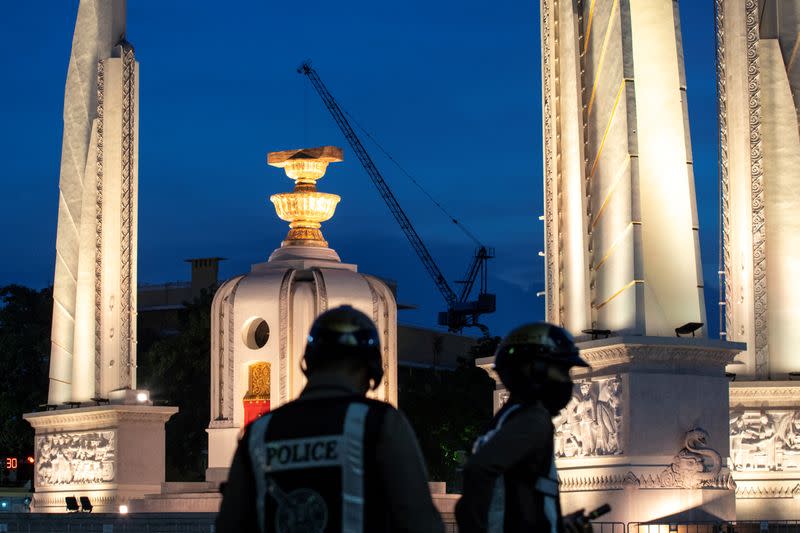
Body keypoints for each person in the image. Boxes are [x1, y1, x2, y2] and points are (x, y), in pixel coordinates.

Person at [216, 305, 444, 533]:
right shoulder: (380, 424)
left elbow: (229, 523)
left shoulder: (258, 433)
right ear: (371, 369)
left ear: (309, 362)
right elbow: (419, 520)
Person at [455, 322, 591, 533]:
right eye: (562, 370)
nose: (567, 380)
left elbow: (516, 500)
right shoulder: (534, 420)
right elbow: (479, 471)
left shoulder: (505, 418)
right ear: (534, 370)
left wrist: (556, 525)